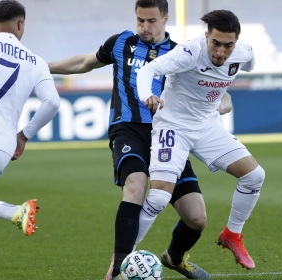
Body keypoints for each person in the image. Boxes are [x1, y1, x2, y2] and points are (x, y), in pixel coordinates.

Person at [48, 1, 232, 279]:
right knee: (136, 185)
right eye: (140, 20)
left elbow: (218, 90)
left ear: (165, 19)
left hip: (170, 135)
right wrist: (42, 68)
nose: (145, 27)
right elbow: (84, 62)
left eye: (151, 21)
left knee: (196, 217)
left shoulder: (183, 54)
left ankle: (174, 258)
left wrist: (222, 103)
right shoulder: (121, 43)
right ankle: (119, 268)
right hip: (128, 130)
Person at [136, 9, 265, 270]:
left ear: (236, 43)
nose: (220, 52)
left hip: (207, 127)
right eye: (215, 43)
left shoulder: (243, 53)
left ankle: (232, 235)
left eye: (228, 45)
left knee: (255, 176)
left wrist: (223, 99)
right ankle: (121, 259)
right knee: (159, 198)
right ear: (206, 37)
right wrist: (146, 94)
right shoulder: (189, 53)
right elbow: (148, 70)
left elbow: (248, 63)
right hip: (173, 127)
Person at [0, 0, 60, 236]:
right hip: (4, 146)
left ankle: (14, 211)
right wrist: (24, 136)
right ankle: (14, 211)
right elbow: (53, 103)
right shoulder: (37, 62)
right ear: (20, 24)